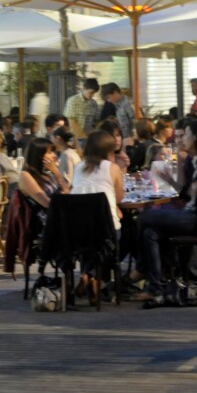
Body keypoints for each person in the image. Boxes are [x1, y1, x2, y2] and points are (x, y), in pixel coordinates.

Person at [132, 118, 197, 303]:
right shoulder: (193, 159)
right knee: (150, 232)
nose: (181, 139)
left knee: (145, 217)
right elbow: (188, 194)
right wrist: (169, 180)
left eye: (186, 134)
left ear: (196, 137)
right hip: (190, 212)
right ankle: (156, 287)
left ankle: (141, 269)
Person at [69, 129, 126, 303]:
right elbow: (119, 197)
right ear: (109, 151)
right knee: (117, 237)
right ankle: (92, 276)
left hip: (79, 229)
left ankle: (89, 277)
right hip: (105, 228)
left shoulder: (78, 167)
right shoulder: (112, 168)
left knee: (91, 243)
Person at [17, 137, 70, 242]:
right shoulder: (26, 175)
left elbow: (68, 192)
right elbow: (47, 203)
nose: (54, 156)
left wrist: (57, 173)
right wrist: (64, 197)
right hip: (44, 223)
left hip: (58, 216)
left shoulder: (48, 174)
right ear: (39, 155)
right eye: (50, 152)